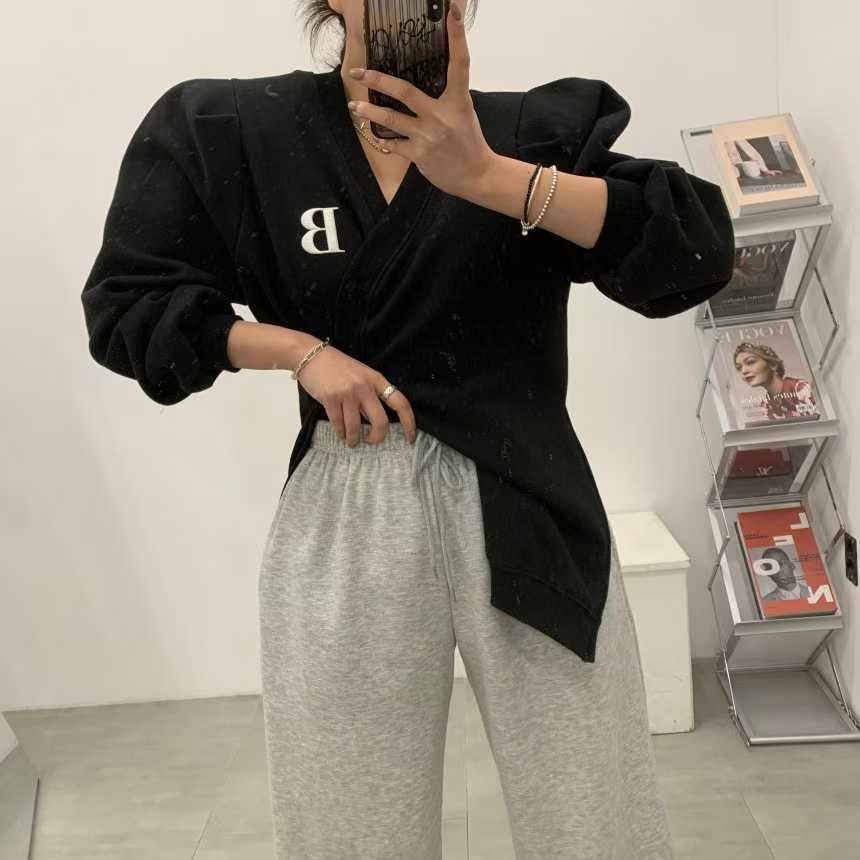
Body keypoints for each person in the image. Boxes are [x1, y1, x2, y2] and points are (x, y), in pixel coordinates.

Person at [81, 2, 738, 857]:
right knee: (349, 826)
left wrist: (487, 176)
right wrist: (298, 351)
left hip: (528, 499)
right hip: (349, 499)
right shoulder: (237, 130)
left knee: (595, 819)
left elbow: (694, 250)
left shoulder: (529, 130)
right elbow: (128, 307)